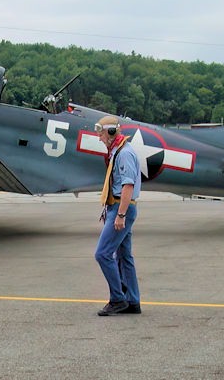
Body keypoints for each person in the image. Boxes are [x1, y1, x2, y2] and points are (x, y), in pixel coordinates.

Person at [93, 115, 141, 316]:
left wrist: (120, 215)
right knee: (123, 256)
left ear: (111, 132)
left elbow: (128, 186)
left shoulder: (123, 154)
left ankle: (117, 299)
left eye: (101, 133)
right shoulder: (118, 151)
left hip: (123, 208)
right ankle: (132, 301)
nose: (99, 138)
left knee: (102, 254)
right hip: (118, 207)